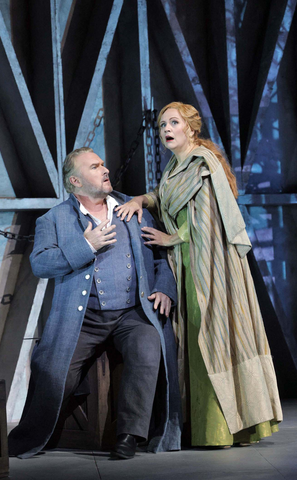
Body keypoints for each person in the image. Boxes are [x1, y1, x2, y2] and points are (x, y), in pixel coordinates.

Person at [115, 101, 283, 447]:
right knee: (194, 338)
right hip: (187, 264)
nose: (166, 130)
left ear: (191, 128)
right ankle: (200, 426)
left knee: (213, 336)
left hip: (211, 265)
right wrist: (140, 200)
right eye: (162, 125)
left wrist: (170, 237)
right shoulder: (175, 167)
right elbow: (163, 197)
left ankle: (220, 429)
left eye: (173, 123)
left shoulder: (201, 163)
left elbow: (209, 221)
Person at [8, 147, 181, 459]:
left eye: (103, 163)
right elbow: (41, 264)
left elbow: (160, 258)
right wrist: (86, 245)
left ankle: (129, 435)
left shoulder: (131, 209)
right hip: (83, 319)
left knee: (148, 345)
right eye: (94, 166)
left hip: (132, 312)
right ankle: (29, 437)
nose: (105, 170)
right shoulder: (55, 219)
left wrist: (165, 288)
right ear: (75, 181)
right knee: (53, 371)